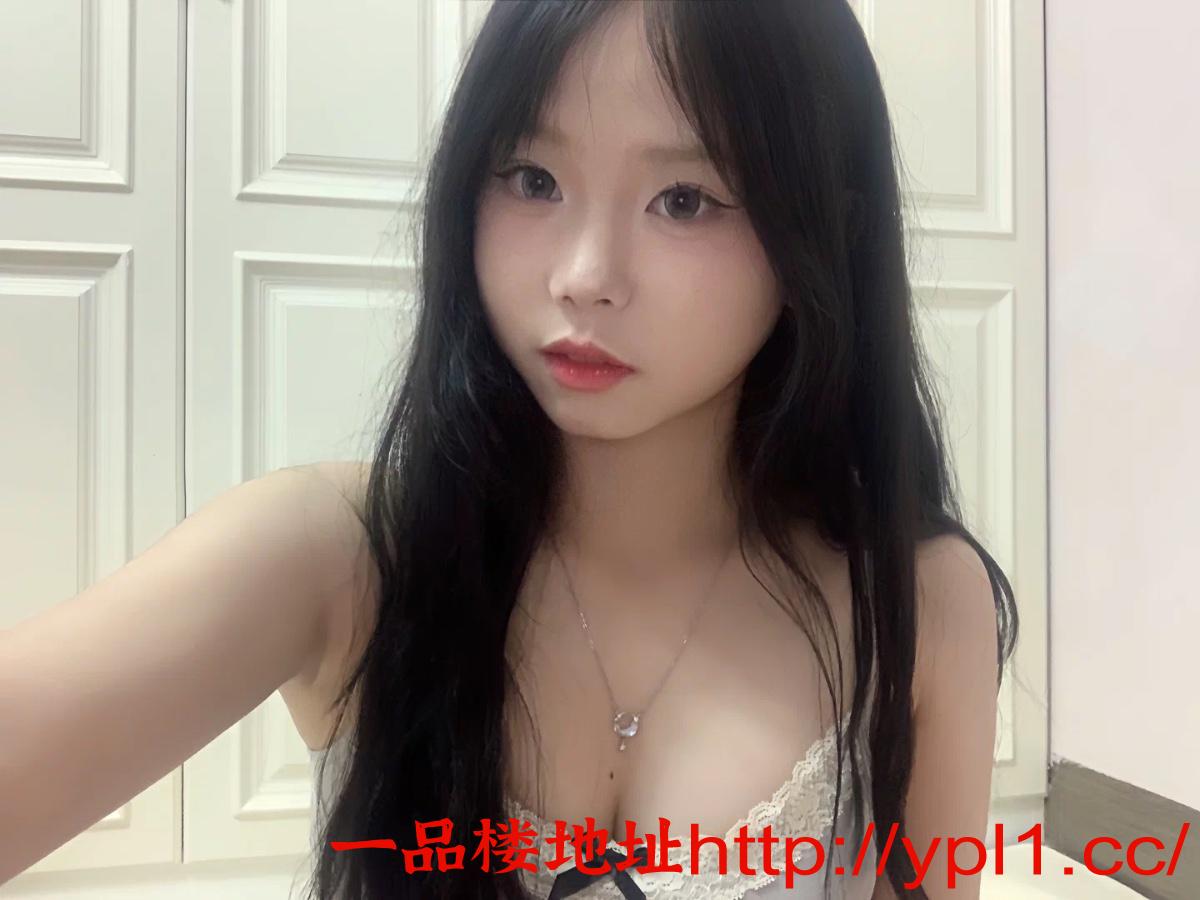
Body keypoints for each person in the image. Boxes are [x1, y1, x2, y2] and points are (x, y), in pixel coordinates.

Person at [0, 1, 1018, 898]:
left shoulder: (918, 602)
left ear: (821, 234)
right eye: (532, 178)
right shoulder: (345, 555)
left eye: (684, 199)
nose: (584, 275)